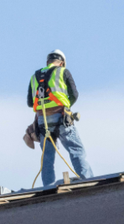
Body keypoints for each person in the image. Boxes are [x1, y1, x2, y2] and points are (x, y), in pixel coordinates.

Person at [27, 49, 93, 186]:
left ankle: (48, 187)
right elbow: (74, 94)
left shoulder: (35, 76)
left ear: (47, 62)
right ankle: (87, 180)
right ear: (62, 63)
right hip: (61, 117)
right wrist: (67, 106)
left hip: (42, 120)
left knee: (47, 157)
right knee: (76, 150)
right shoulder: (63, 72)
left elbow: (29, 102)